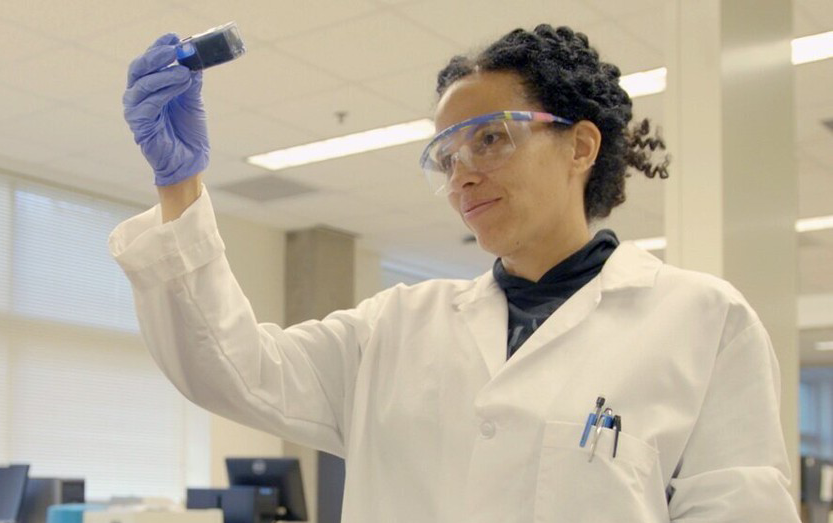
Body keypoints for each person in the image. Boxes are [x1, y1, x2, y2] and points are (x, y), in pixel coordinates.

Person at [110, 24, 800, 522]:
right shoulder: (394, 328)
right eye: (445, 155)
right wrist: (181, 186)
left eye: (491, 138)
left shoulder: (701, 320)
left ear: (580, 145)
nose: (462, 171)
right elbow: (230, 368)